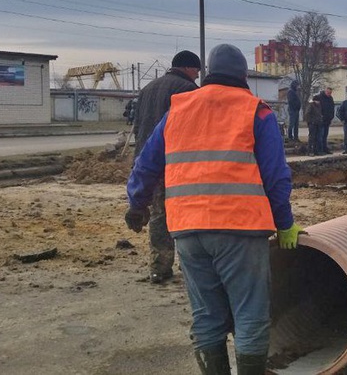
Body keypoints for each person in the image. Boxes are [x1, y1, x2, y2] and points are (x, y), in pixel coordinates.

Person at [125, 43, 302, 375]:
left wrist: (137, 203)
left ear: (207, 73)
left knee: (206, 314)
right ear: (242, 75)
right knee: (249, 312)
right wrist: (285, 223)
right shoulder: (256, 111)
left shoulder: (177, 110)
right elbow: (276, 176)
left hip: (188, 230)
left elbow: (145, 165)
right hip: (240, 229)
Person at [132, 50, 200, 284]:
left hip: (147, 160)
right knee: (182, 214)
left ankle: (159, 266)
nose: (198, 76)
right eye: (197, 71)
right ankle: (189, 264)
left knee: (159, 216)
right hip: (175, 162)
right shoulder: (188, 90)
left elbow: (138, 125)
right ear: (189, 68)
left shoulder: (147, 89)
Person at [319, 87, 335, 154]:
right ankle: (321, 149)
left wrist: (331, 117)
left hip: (328, 120)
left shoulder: (330, 99)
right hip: (321, 120)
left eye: (330, 93)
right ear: (325, 91)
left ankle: (325, 149)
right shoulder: (320, 97)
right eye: (328, 92)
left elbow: (332, 108)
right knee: (321, 135)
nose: (329, 94)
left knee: (325, 135)